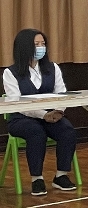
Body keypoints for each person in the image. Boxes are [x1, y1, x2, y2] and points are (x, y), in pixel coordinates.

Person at [2, 29, 78, 195]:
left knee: (67, 130)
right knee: (36, 132)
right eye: (36, 44)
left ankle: (61, 175)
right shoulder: (10, 73)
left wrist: (59, 111)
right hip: (21, 118)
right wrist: (43, 115)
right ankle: (37, 179)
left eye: (43, 44)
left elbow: (62, 93)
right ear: (24, 47)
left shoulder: (53, 68)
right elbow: (17, 103)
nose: (41, 47)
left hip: (52, 116)